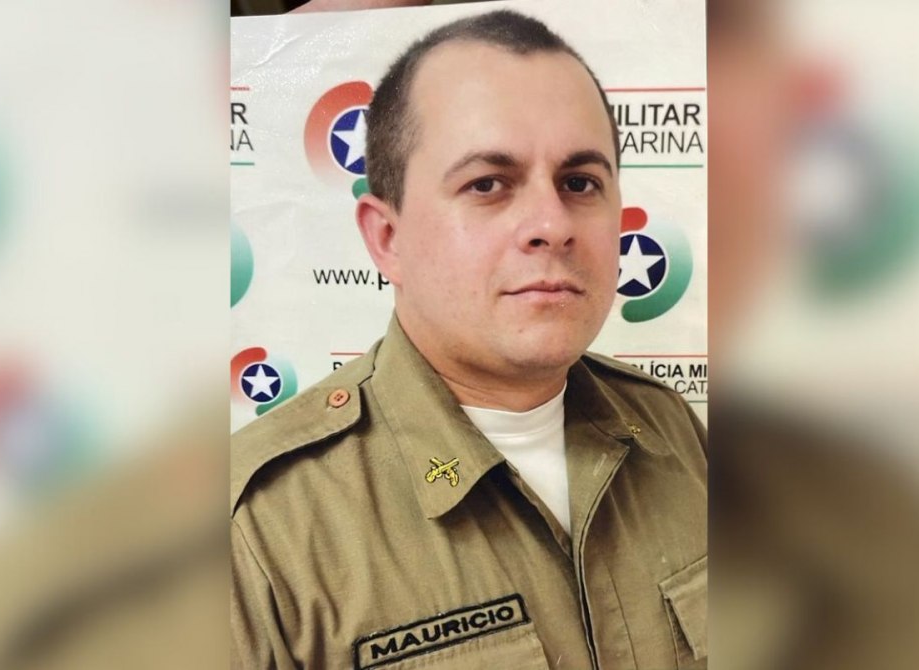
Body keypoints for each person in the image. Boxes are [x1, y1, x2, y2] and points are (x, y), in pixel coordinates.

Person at [231, 9, 707, 669]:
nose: (552, 224)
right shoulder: (259, 532)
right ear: (387, 239)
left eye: (580, 183)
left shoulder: (672, 429)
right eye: (487, 184)